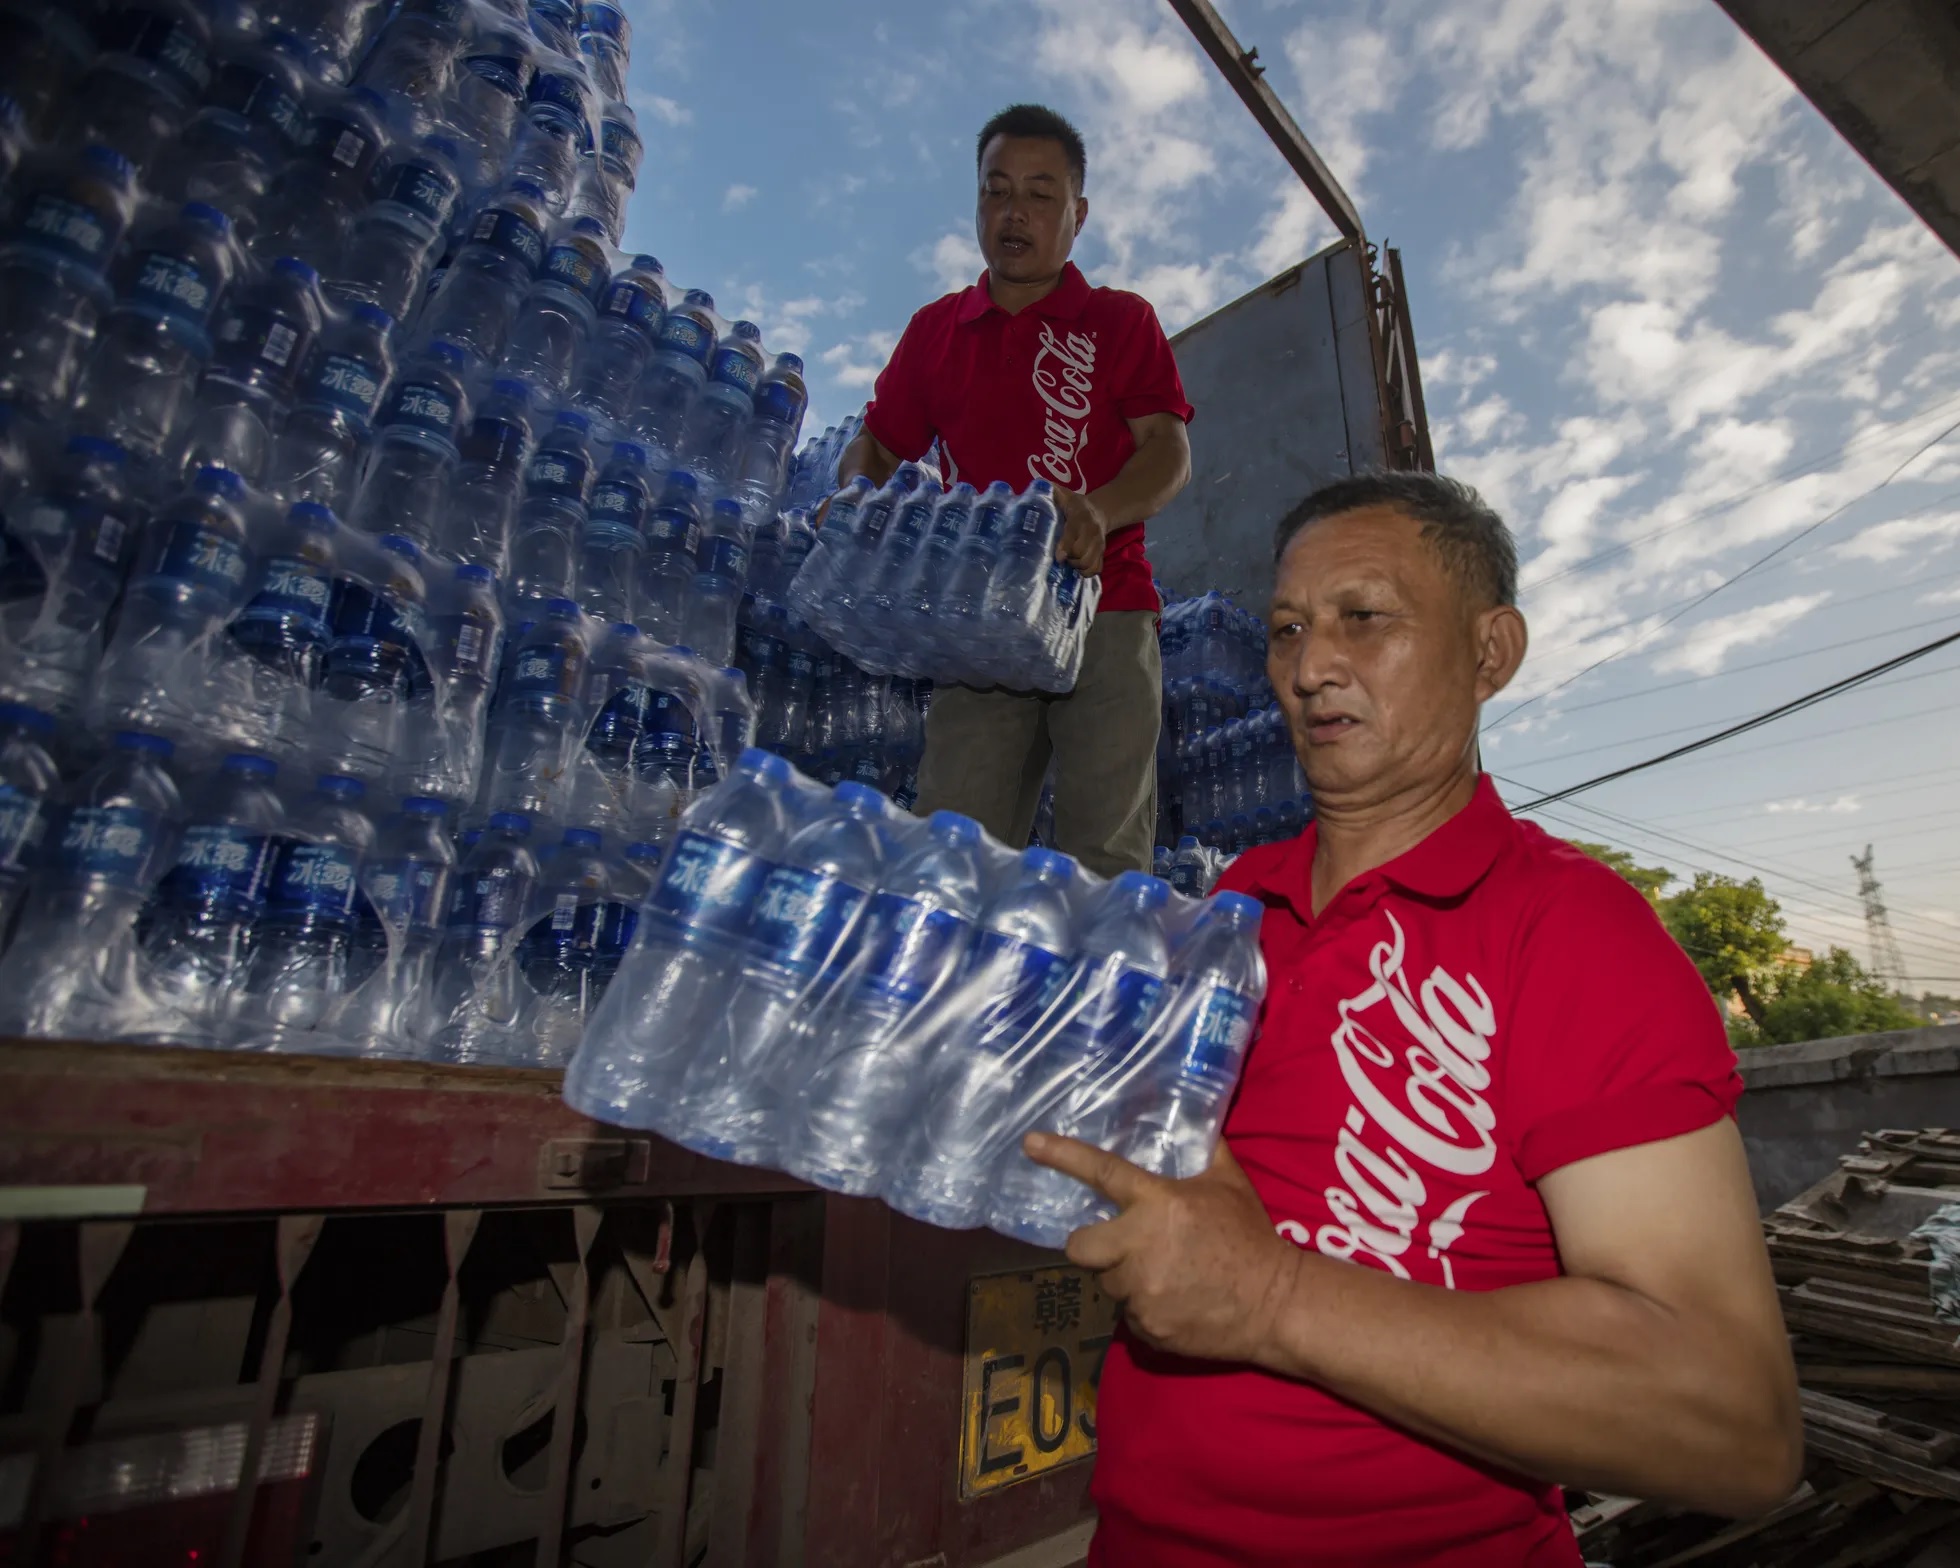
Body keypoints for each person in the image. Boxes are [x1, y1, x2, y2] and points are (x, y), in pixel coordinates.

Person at [1025, 472, 1802, 1565]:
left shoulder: (1575, 932)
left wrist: (1272, 1294)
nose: (1308, 666)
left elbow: (1735, 1423)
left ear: (1491, 653)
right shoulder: (1226, 912)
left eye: (1364, 617)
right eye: (1286, 627)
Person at [826, 103, 1192, 875]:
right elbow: (880, 445)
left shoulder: (1121, 322)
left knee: (1105, 864)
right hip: (978, 623)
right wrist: (857, 501)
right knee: (951, 854)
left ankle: (1093, 995)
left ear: (1077, 214)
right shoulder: (938, 330)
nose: (1014, 213)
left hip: (1108, 606)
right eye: (997, 191)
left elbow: (1169, 451)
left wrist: (1101, 509)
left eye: (1039, 194)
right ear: (977, 205)